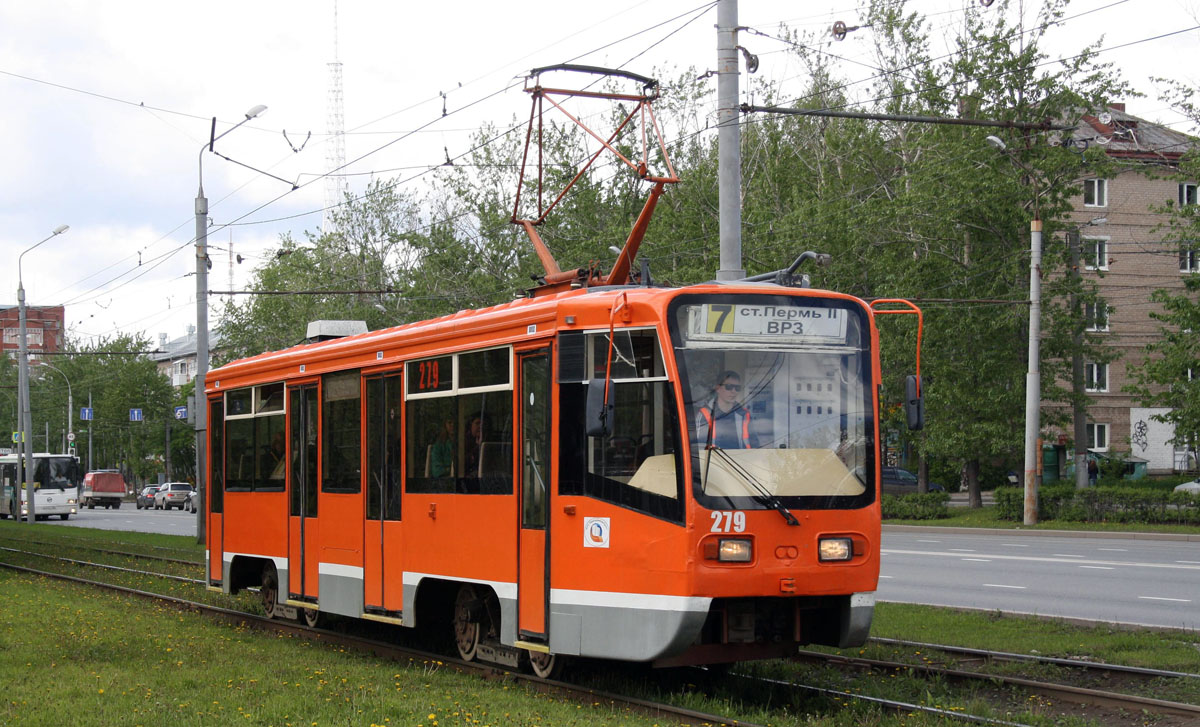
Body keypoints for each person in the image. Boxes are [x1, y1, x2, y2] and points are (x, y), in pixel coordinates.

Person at [696, 370, 755, 449]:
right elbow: (699, 448)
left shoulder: (744, 414)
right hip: (712, 460)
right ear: (718, 389)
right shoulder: (705, 413)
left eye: (737, 388)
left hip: (738, 460)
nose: (733, 391)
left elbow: (754, 445)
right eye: (729, 387)